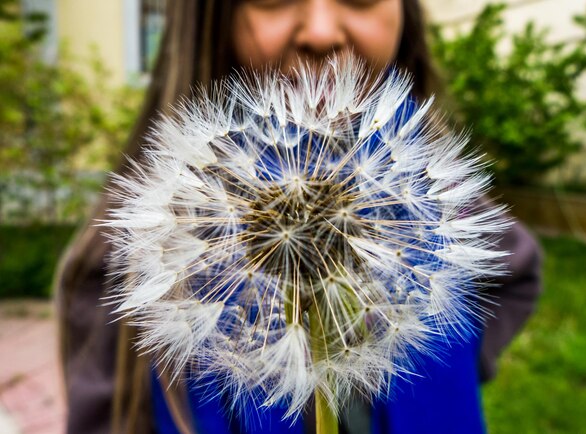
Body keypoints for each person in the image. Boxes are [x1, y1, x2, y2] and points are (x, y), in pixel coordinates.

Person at [55, 1, 542, 433]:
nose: (322, 31)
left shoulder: (437, 203)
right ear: (209, 15)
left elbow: (515, 273)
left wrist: (420, 354)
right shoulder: (125, 271)